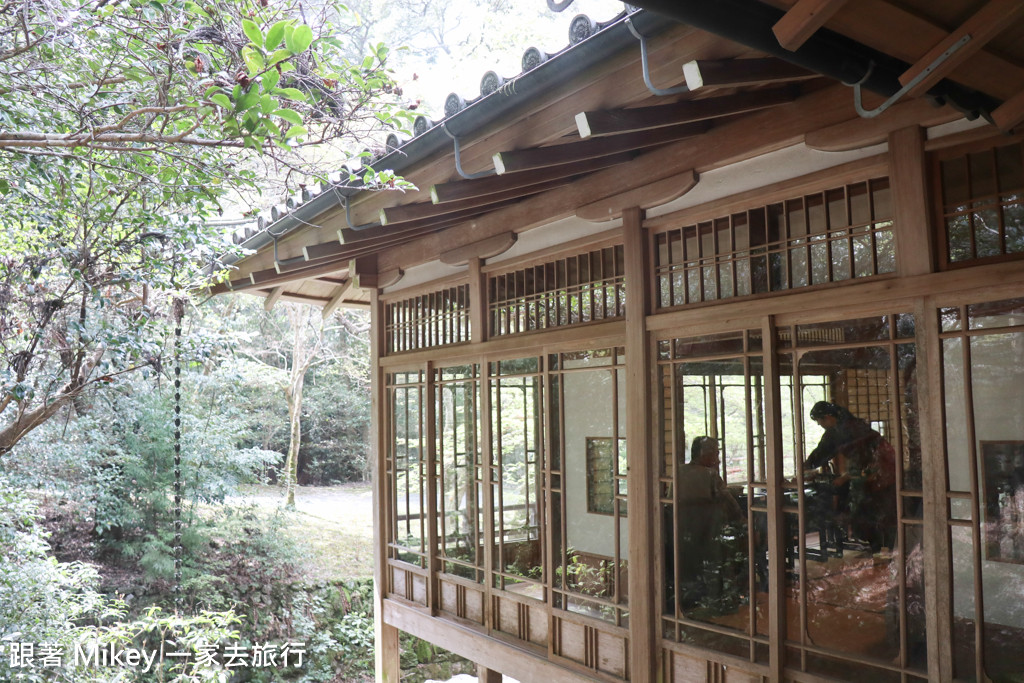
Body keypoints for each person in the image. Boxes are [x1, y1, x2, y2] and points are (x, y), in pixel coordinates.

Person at [804, 401, 897, 551]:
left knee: (873, 512)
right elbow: (823, 450)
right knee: (872, 512)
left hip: (880, 470)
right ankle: (878, 548)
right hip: (873, 471)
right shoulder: (841, 427)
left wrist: (846, 477)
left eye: (820, 421)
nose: (820, 425)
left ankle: (881, 548)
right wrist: (807, 467)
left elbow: (863, 458)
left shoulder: (849, 429)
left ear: (828, 417)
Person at [674, 436, 746, 613]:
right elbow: (730, 503)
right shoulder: (710, 475)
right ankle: (723, 600)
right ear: (704, 455)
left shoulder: (678, 472)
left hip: (681, 533)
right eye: (716, 453)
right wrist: (744, 521)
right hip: (710, 533)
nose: (718, 458)